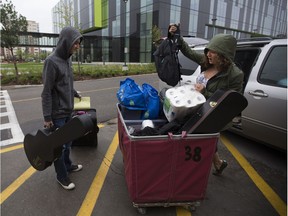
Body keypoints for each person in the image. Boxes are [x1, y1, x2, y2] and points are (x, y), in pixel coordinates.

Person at [168, 24, 244, 176]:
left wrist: (205, 91)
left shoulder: (235, 75)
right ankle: (218, 163)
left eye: (213, 52)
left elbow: (229, 102)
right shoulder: (206, 62)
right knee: (202, 139)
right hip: (196, 107)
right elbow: (188, 52)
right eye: (208, 50)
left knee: (201, 140)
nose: (209, 54)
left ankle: (193, 172)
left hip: (211, 113)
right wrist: (178, 35)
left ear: (224, 55)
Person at [41, 27, 83, 190]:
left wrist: (74, 93)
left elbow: (66, 83)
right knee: (59, 147)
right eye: (75, 43)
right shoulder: (51, 61)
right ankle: (62, 176)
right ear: (66, 42)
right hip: (57, 114)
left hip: (68, 110)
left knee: (68, 142)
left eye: (78, 43)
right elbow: (46, 91)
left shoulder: (68, 59)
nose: (77, 46)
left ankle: (68, 165)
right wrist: (47, 117)